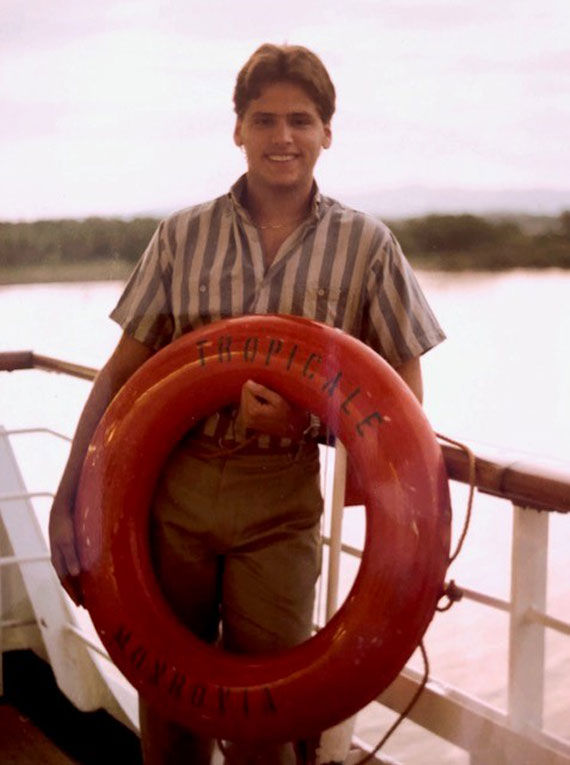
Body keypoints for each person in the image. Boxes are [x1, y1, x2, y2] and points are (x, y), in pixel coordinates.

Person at [49, 43, 445, 765]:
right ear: (238, 129)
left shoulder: (368, 247)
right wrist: (69, 492)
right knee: (168, 710)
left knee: (264, 720)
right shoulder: (182, 235)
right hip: (173, 490)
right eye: (264, 120)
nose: (282, 137)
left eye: (300, 120)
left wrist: (310, 423)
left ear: (328, 131)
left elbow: (403, 408)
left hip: (281, 503)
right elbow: (120, 376)